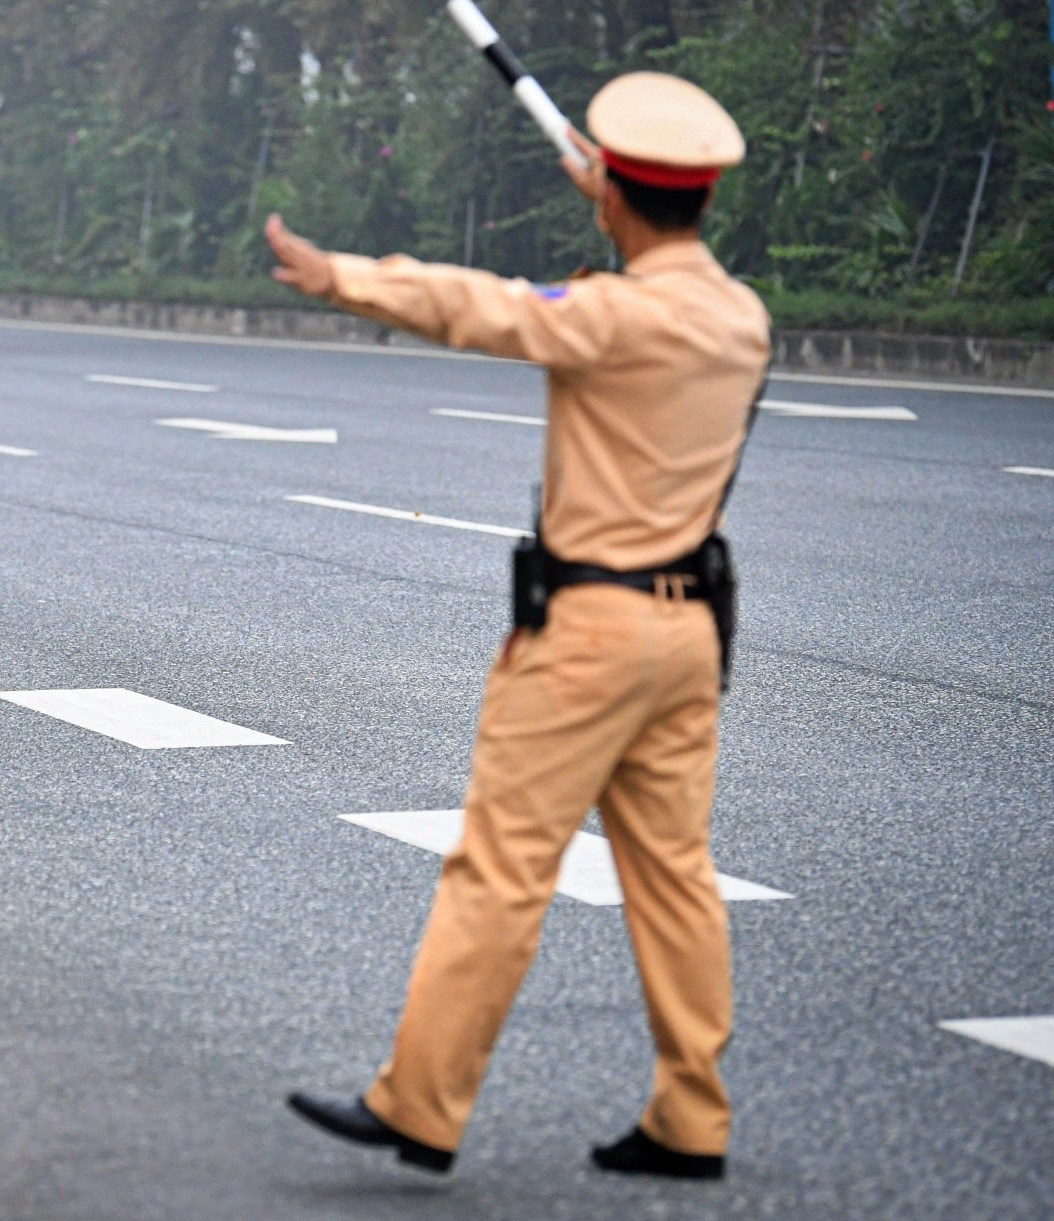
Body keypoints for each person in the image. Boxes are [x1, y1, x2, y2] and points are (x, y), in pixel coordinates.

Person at [267, 73, 768, 1180]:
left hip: (588, 633)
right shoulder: (737, 318)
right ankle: (692, 1116)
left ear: (617, 197)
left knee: (500, 869)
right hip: (690, 637)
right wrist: (618, 210)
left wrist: (340, 275)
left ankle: (421, 1104)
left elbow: (482, 305)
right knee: (675, 874)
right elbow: (622, 275)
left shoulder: (612, 313)